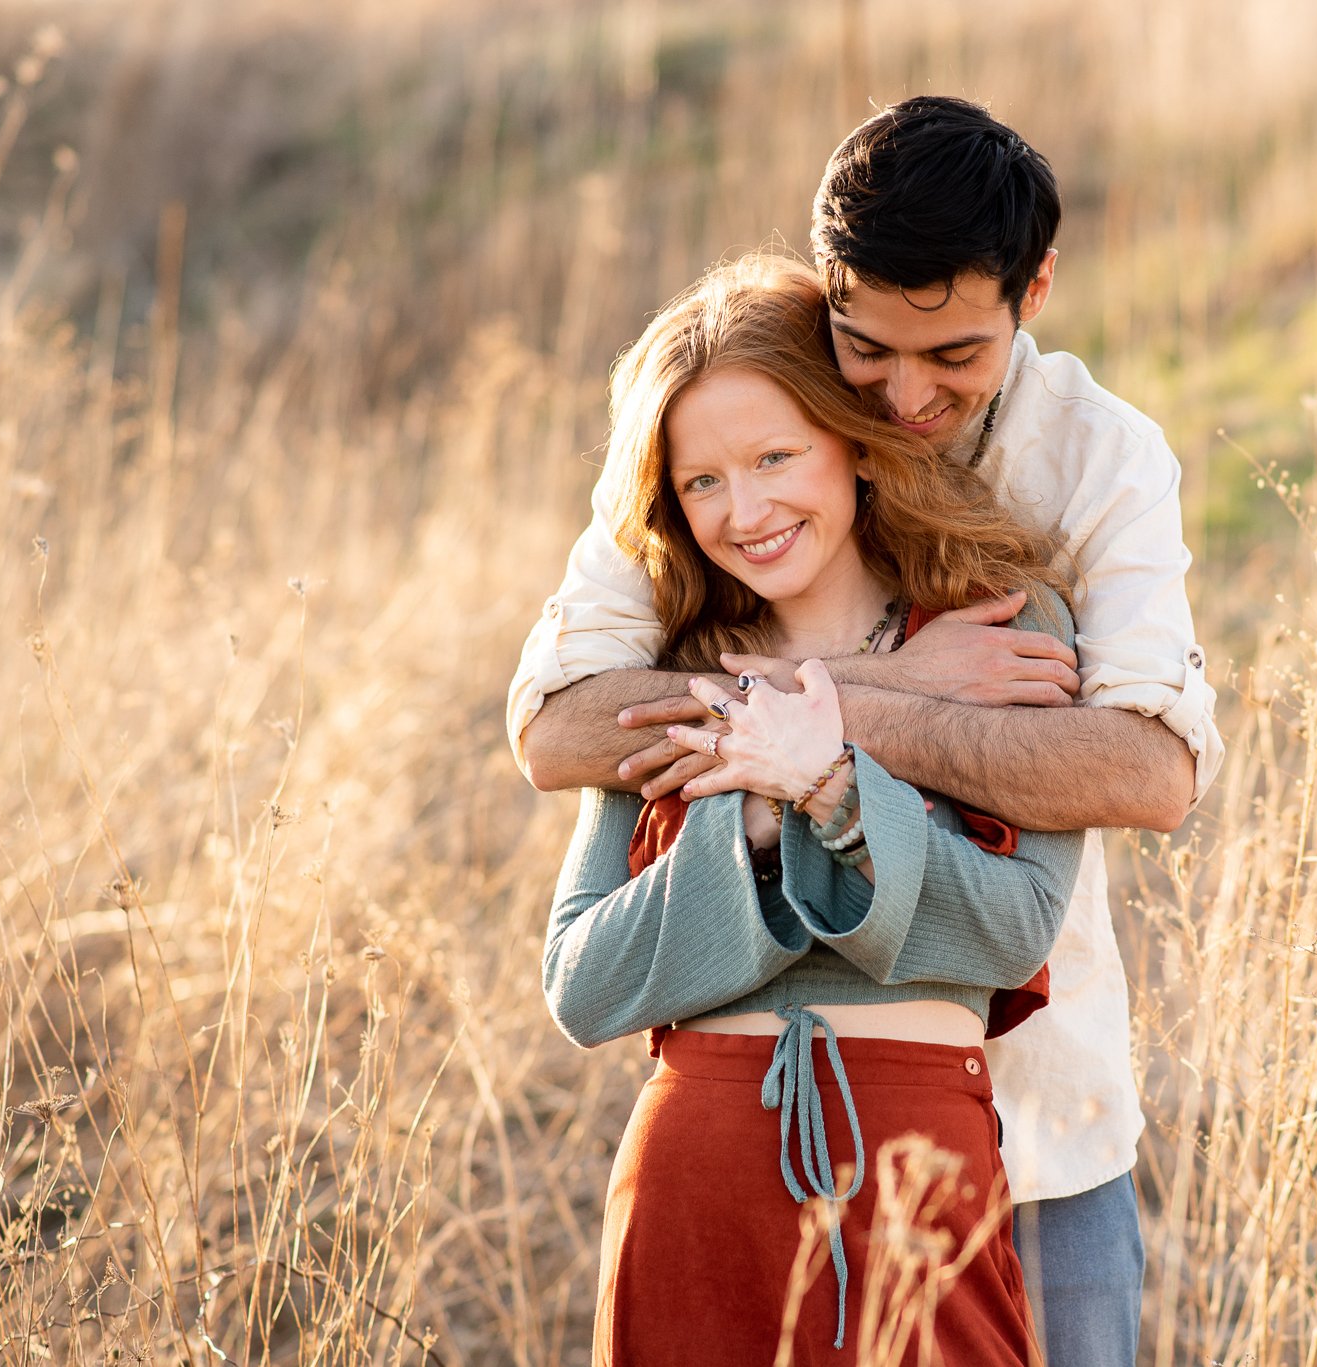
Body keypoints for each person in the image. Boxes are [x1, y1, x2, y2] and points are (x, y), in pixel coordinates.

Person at [512, 97, 1224, 1366]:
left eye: (948, 355)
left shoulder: (1099, 458)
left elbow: (1147, 771)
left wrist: (853, 721)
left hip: (1034, 1110)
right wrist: (857, 688)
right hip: (722, 1135)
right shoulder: (737, 415)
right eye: (864, 352)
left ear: (1033, 289)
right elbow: (557, 731)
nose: (901, 396)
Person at [544, 254, 1080, 1362]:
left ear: (853, 438)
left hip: (915, 1177)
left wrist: (831, 787)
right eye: (700, 482)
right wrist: (741, 819)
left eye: (774, 455)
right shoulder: (666, 683)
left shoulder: (1003, 634)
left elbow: (1012, 928)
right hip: (689, 1189)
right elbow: (583, 985)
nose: (745, 510)